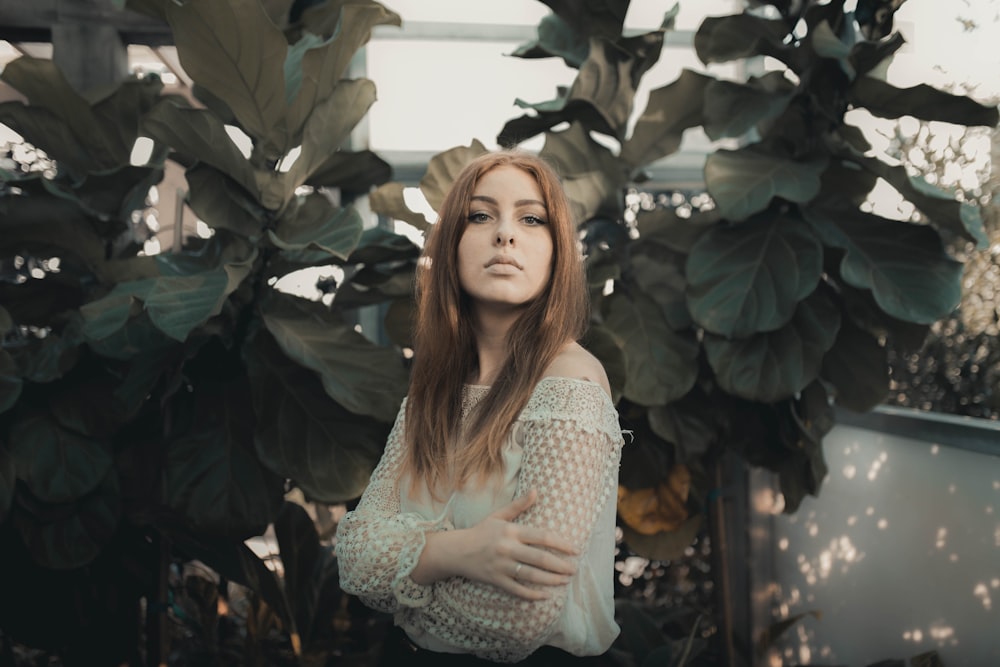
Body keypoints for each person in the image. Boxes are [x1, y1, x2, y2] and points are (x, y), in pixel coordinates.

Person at [336, 149, 625, 665]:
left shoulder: (572, 385)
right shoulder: (430, 395)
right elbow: (354, 559)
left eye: (531, 218)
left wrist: (404, 587)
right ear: (451, 245)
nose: (505, 234)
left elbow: (518, 620)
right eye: (481, 215)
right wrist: (457, 552)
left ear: (558, 252)